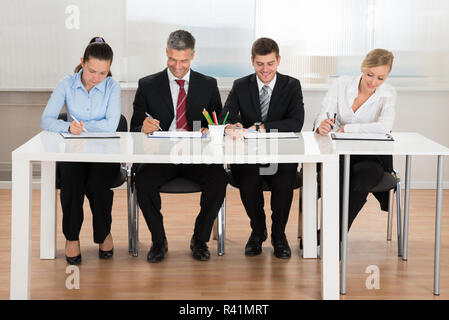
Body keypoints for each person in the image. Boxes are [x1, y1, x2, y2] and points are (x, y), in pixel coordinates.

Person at [130, 30, 228, 263]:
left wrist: (210, 129)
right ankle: (159, 239)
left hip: (197, 155)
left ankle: (200, 239)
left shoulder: (208, 84)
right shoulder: (147, 85)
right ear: (166, 53)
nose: (177, 66)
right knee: (142, 181)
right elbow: (134, 126)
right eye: (172, 59)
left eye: (183, 60)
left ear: (193, 56)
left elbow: (217, 122)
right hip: (161, 156)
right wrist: (142, 126)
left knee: (219, 180)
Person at [220, 37, 304, 259]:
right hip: (249, 154)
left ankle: (279, 235)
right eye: (260, 64)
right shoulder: (241, 85)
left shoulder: (291, 85)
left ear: (278, 61)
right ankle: (258, 231)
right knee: (248, 181)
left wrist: (261, 127)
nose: (265, 70)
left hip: (280, 153)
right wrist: (229, 126)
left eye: (270, 63)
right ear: (252, 62)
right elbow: (224, 115)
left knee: (284, 182)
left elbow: (296, 122)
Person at [41, 37, 121, 264]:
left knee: (98, 183)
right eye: (91, 71)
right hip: (72, 152)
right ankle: (72, 238)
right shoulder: (66, 83)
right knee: (71, 180)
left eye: (103, 73)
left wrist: (81, 128)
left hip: (104, 153)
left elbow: (111, 125)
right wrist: (67, 126)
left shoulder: (113, 86)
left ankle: (103, 233)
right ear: (82, 63)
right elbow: (46, 120)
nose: (96, 78)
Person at [314, 48, 396, 233]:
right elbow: (324, 112)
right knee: (336, 178)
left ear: (387, 76)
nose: (373, 82)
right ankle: (328, 236)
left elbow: (385, 127)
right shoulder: (341, 84)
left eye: (380, 78)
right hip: (338, 152)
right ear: (363, 68)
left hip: (370, 156)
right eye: (370, 74)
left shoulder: (388, 94)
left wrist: (348, 128)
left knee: (361, 182)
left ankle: (332, 235)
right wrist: (322, 125)